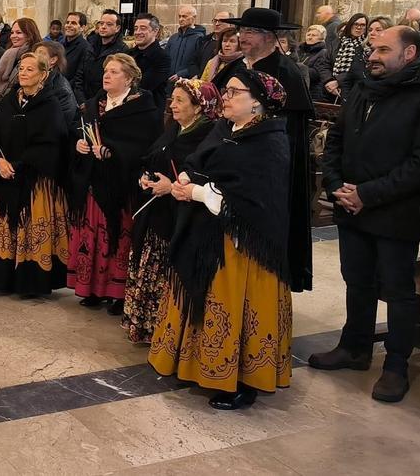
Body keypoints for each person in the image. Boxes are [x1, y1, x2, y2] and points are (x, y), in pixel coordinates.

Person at [310, 26, 420, 403]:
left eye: (383, 50)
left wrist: (366, 194)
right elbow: (336, 139)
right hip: (353, 206)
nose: (372, 56)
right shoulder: (364, 89)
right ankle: (354, 348)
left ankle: (396, 366)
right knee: (357, 280)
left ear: (410, 54)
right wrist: (337, 184)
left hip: (395, 212)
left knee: (398, 292)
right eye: (372, 48)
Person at [149, 68, 293, 410]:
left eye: (233, 92)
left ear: (257, 103)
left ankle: (241, 380)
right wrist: (186, 177)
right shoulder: (225, 127)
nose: (225, 98)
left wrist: (195, 192)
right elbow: (199, 160)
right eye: (226, 91)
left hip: (243, 244)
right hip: (206, 231)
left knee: (233, 305)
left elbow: (251, 198)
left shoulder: (270, 141)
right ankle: (196, 364)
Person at [214, 8, 315, 292]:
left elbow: (287, 132)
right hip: (231, 157)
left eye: (250, 32)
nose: (242, 37)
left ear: (270, 36)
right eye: (241, 31)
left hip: (267, 169)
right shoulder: (237, 67)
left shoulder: (286, 73)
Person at [126, 78, 220, 343]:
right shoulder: (174, 128)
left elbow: (203, 177)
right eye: (172, 99)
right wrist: (145, 177)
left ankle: (167, 334)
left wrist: (171, 187)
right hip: (156, 214)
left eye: (180, 100)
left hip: (181, 221)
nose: (173, 105)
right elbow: (151, 157)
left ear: (199, 107)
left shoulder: (207, 137)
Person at [68, 53, 163, 314]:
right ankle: (93, 289)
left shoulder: (143, 107)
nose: (106, 76)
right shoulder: (94, 104)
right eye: (106, 71)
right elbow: (78, 128)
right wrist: (78, 143)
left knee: (119, 238)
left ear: (130, 77)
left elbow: (144, 147)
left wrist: (112, 151)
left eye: (114, 72)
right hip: (93, 181)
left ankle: (119, 293)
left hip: (122, 185)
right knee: (92, 235)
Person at [0, 52, 71, 296]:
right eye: (21, 69)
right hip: (2, 173)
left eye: (29, 69)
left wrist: (18, 164)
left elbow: (51, 144)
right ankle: (1, 278)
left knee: (30, 228)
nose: (23, 73)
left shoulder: (50, 105)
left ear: (43, 75)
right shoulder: (8, 102)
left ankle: (29, 282)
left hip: (33, 178)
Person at [75, 11, 129, 104]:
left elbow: (116, 81)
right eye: (101, 23)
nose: (103, 27)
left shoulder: (122, 50)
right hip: (83, 101)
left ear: (117, 28)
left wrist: (95, 103)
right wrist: (82, 101)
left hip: (104, 102)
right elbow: (79, 76)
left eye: (109, 24)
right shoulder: (90, 45)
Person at [0, 17, 44, 102]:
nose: (13, 36)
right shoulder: (8, 53)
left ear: (29, 35)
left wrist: (4, 102)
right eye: (12, 33)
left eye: (19, 33)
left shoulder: (34, 57)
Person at [322, 13, 368, 102]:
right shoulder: (337, 43)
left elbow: (362, 69)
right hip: (330, 90)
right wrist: (329, 81)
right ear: (350, 25)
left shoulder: (366, 46)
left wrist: (338, 81)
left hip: (353, 90)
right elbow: (325, 64)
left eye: (362, 25)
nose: (359, 27)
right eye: (356, 24)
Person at [128, 13, 172, 104]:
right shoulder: (128, 54)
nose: (138, 32)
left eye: (143, 28)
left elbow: (144, 85)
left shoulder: (162, 58)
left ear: (155, 31)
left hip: (149, 109)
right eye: (136, 28)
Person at [35, 41, 78, 128]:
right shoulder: (30, 79)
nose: (35, 57)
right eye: (34, 53)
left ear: (53, 60)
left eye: (41, 54)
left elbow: (59, 122)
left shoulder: (61, 89)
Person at [164, 5, 207, 79]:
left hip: (186, 81)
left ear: (194, 17)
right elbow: (165, 58)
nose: (181, 19)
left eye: (184, 16)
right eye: (179, 16)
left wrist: (182, 74)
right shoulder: (173, 38)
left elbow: (199, 63)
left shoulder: (200, 38)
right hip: (168, 81)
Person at [296, 25, 329, 102]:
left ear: (322, 38)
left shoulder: (323, 52)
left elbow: (317, 73)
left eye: (314, 35)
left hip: (313, 92)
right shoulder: (299, 50)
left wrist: (298, 68)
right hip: (299, 88)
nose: (310, 37)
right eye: (308, 35)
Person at [60, 12, 92, 84]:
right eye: (67, 22)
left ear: (82, 28)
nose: (69, 25)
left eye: (73, 23)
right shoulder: (59, 45)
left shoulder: (86, 48)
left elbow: (79, 77)